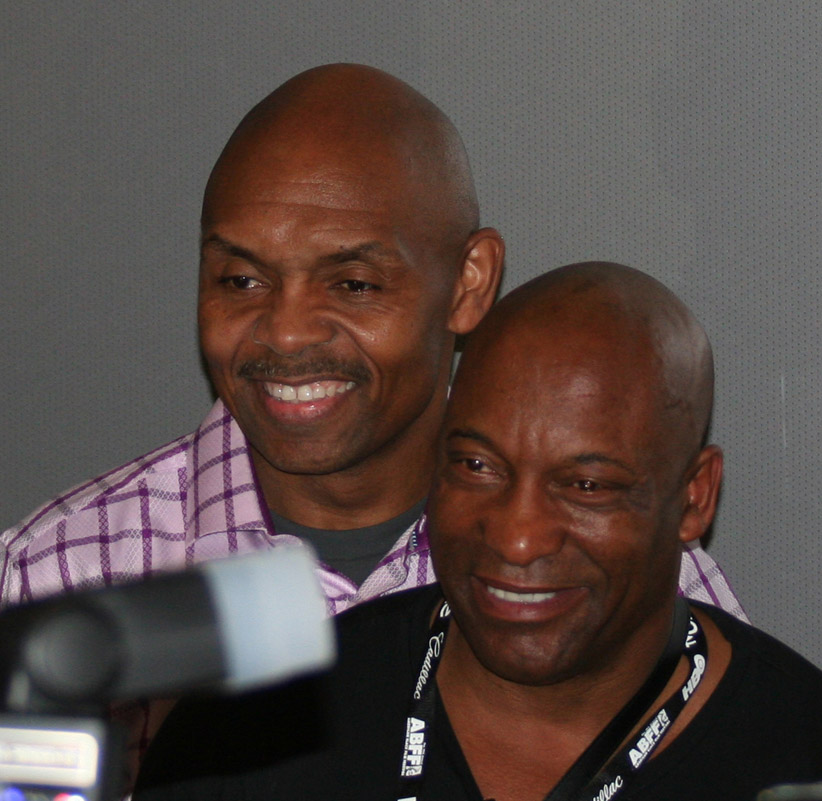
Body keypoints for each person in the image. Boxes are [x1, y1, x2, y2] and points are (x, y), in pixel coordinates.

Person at [134, 262, 822, 801]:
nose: (516, 537)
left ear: (694, 498)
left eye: (585, 485)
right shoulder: (243, 737)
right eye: (477, 467)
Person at [0, 64, 745, 617]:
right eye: (240, 281)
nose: (286, 330)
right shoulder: (63, 578)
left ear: (468, 283)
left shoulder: (599, 564)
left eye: (353, 284)